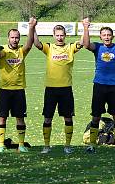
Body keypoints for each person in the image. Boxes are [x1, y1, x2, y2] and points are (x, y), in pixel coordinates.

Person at [82, 20, 115, 153]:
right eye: (104, 35)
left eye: (109, 35)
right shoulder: (97, 47)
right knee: (95, 116)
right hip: (99, 86)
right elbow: (86, 45)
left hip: (114, 87)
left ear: (112, 36)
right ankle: (92, 145)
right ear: (100, 37)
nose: (106, 37)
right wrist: (85, 28)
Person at [34, 21, 84, 154]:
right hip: (50, 89)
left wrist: (85, 27)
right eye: (57, 35)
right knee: (47, 118)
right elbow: (37, 43)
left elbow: (83, 42)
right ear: (53, 35)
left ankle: (67, 145)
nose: (60, 37)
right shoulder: (49, 47)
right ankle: (46, 146)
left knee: (68, 118)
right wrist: (32, 27)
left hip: (66, 89)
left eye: (62, 35)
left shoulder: (71, 47)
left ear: (65, 35)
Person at [0, 18, 37, 153]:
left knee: (20, 117)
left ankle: (21, 144)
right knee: (2, 117)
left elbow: (29, 45)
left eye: (17, 38)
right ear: (8, 38)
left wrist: (31, 27)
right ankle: (1, 145)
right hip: (5, 90)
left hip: (19, 90)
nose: (14, 40)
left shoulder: (21, 51)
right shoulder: (4, 49)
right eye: (12, 37)